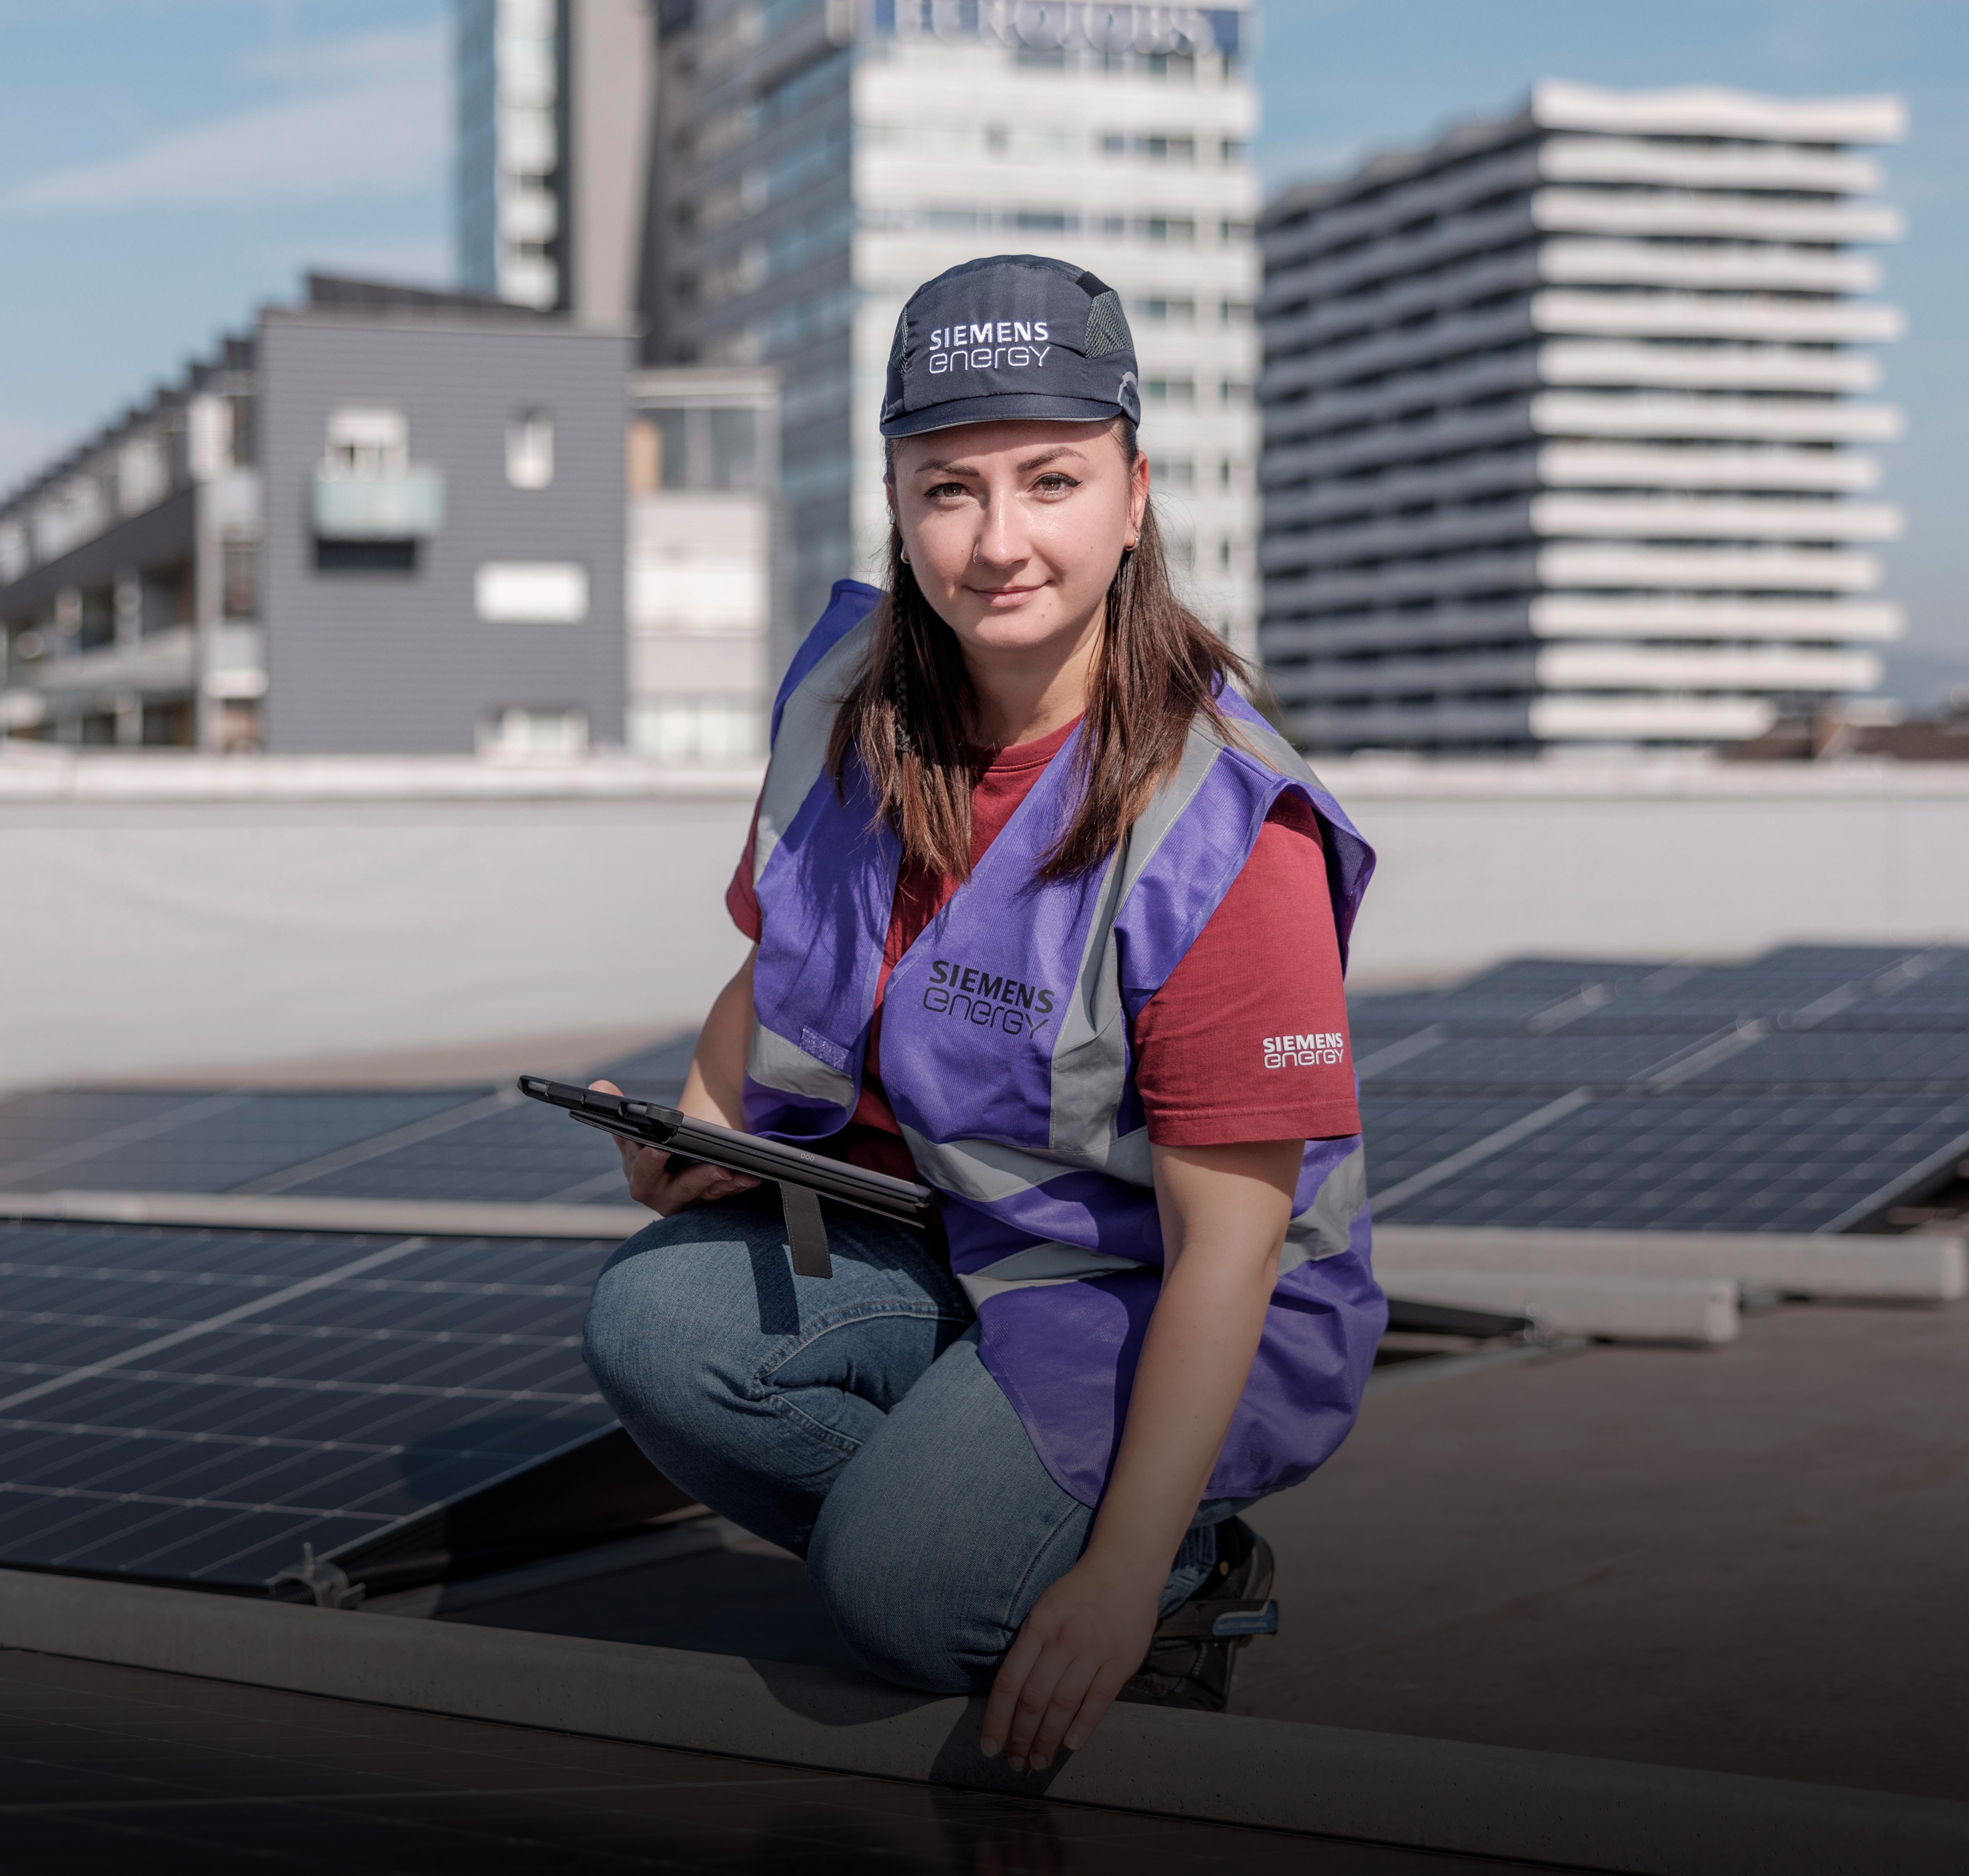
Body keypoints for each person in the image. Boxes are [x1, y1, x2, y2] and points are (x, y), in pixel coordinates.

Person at [579, 254, 1380, 1777]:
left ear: (1133, 495)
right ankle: (977, 1507)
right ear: (894, 498)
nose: (999, 541)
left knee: (894, 1594)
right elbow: (774, 960)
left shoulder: (1223, 829)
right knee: (651, 1321)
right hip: (951, 1240)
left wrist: (1118, 1579)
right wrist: (700, 1119)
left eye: (1052, 481)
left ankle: (1186, 1571)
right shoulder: (845, 706)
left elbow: (1233, 1247)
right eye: (949, 489)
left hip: (1154, 1296)